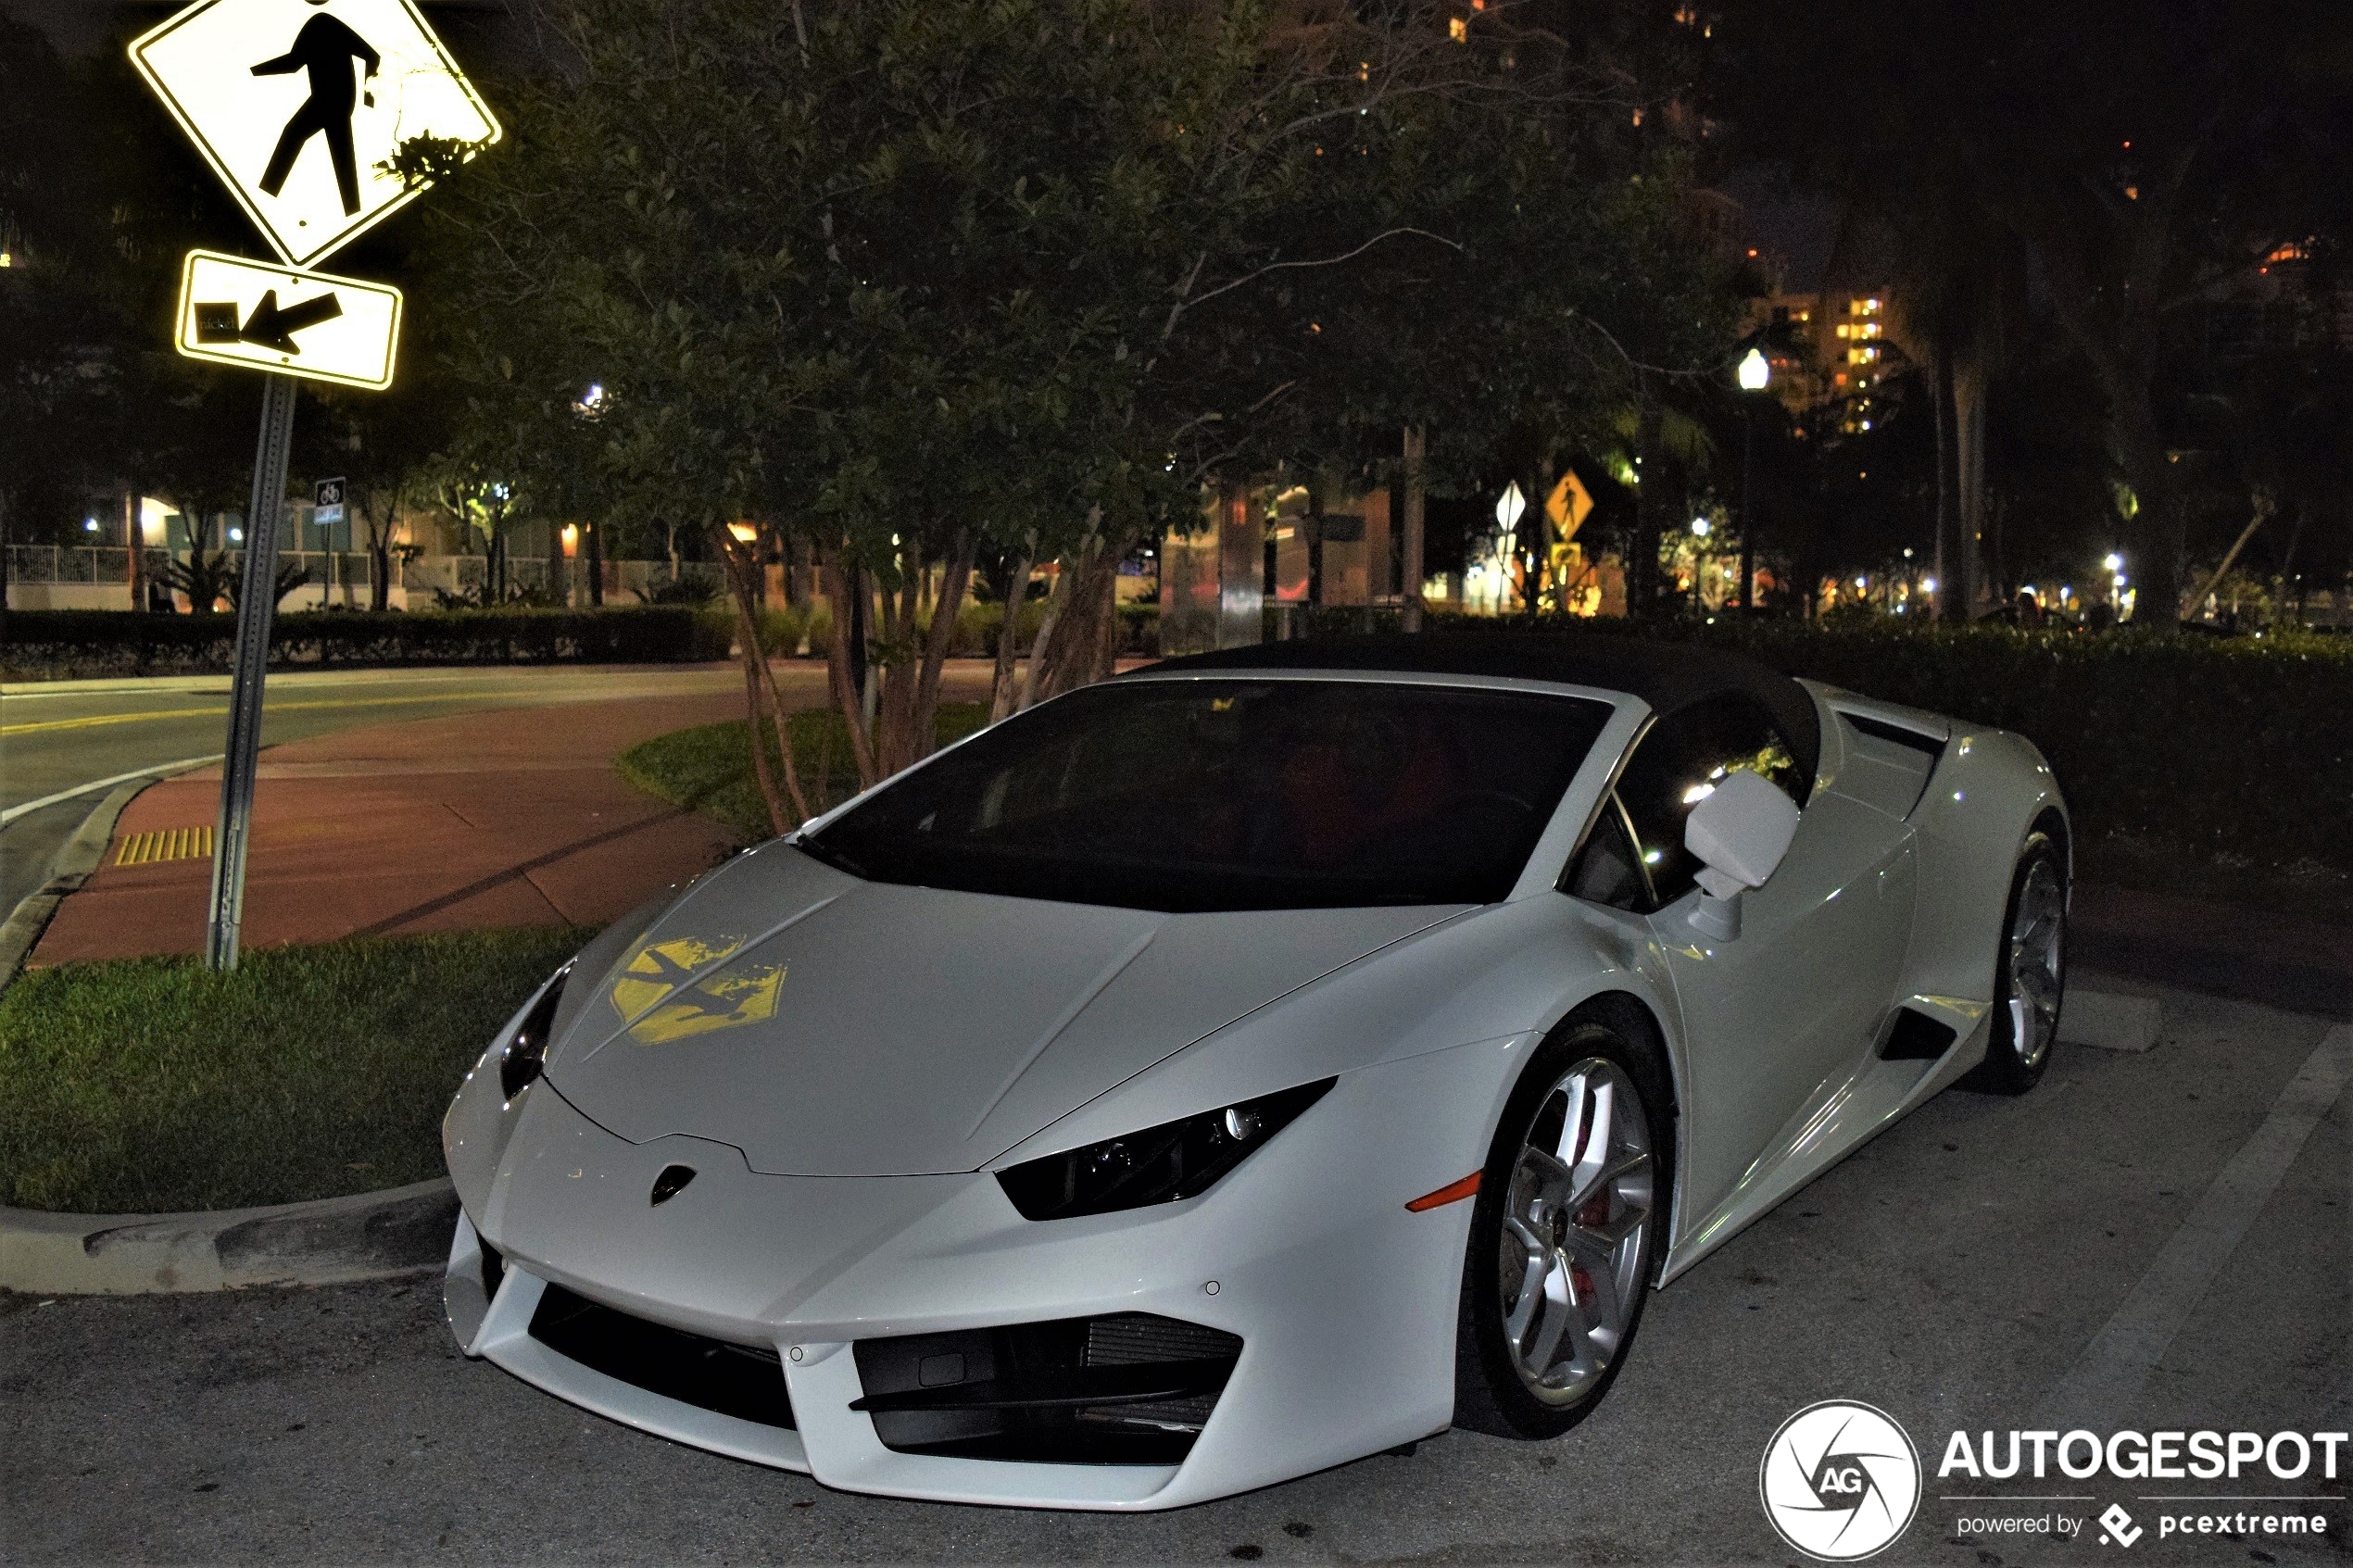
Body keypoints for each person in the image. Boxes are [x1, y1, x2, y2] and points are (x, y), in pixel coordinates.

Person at [252, 0, 381, 217]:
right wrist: (254, 71)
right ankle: (353, 211)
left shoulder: (324, 24)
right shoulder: (314, 26)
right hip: (328, 99)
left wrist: (369, 96)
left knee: (293, 134)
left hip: (332, 99)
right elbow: (294, 63)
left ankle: (266, 193)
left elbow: (372, 56)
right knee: (341, 155)